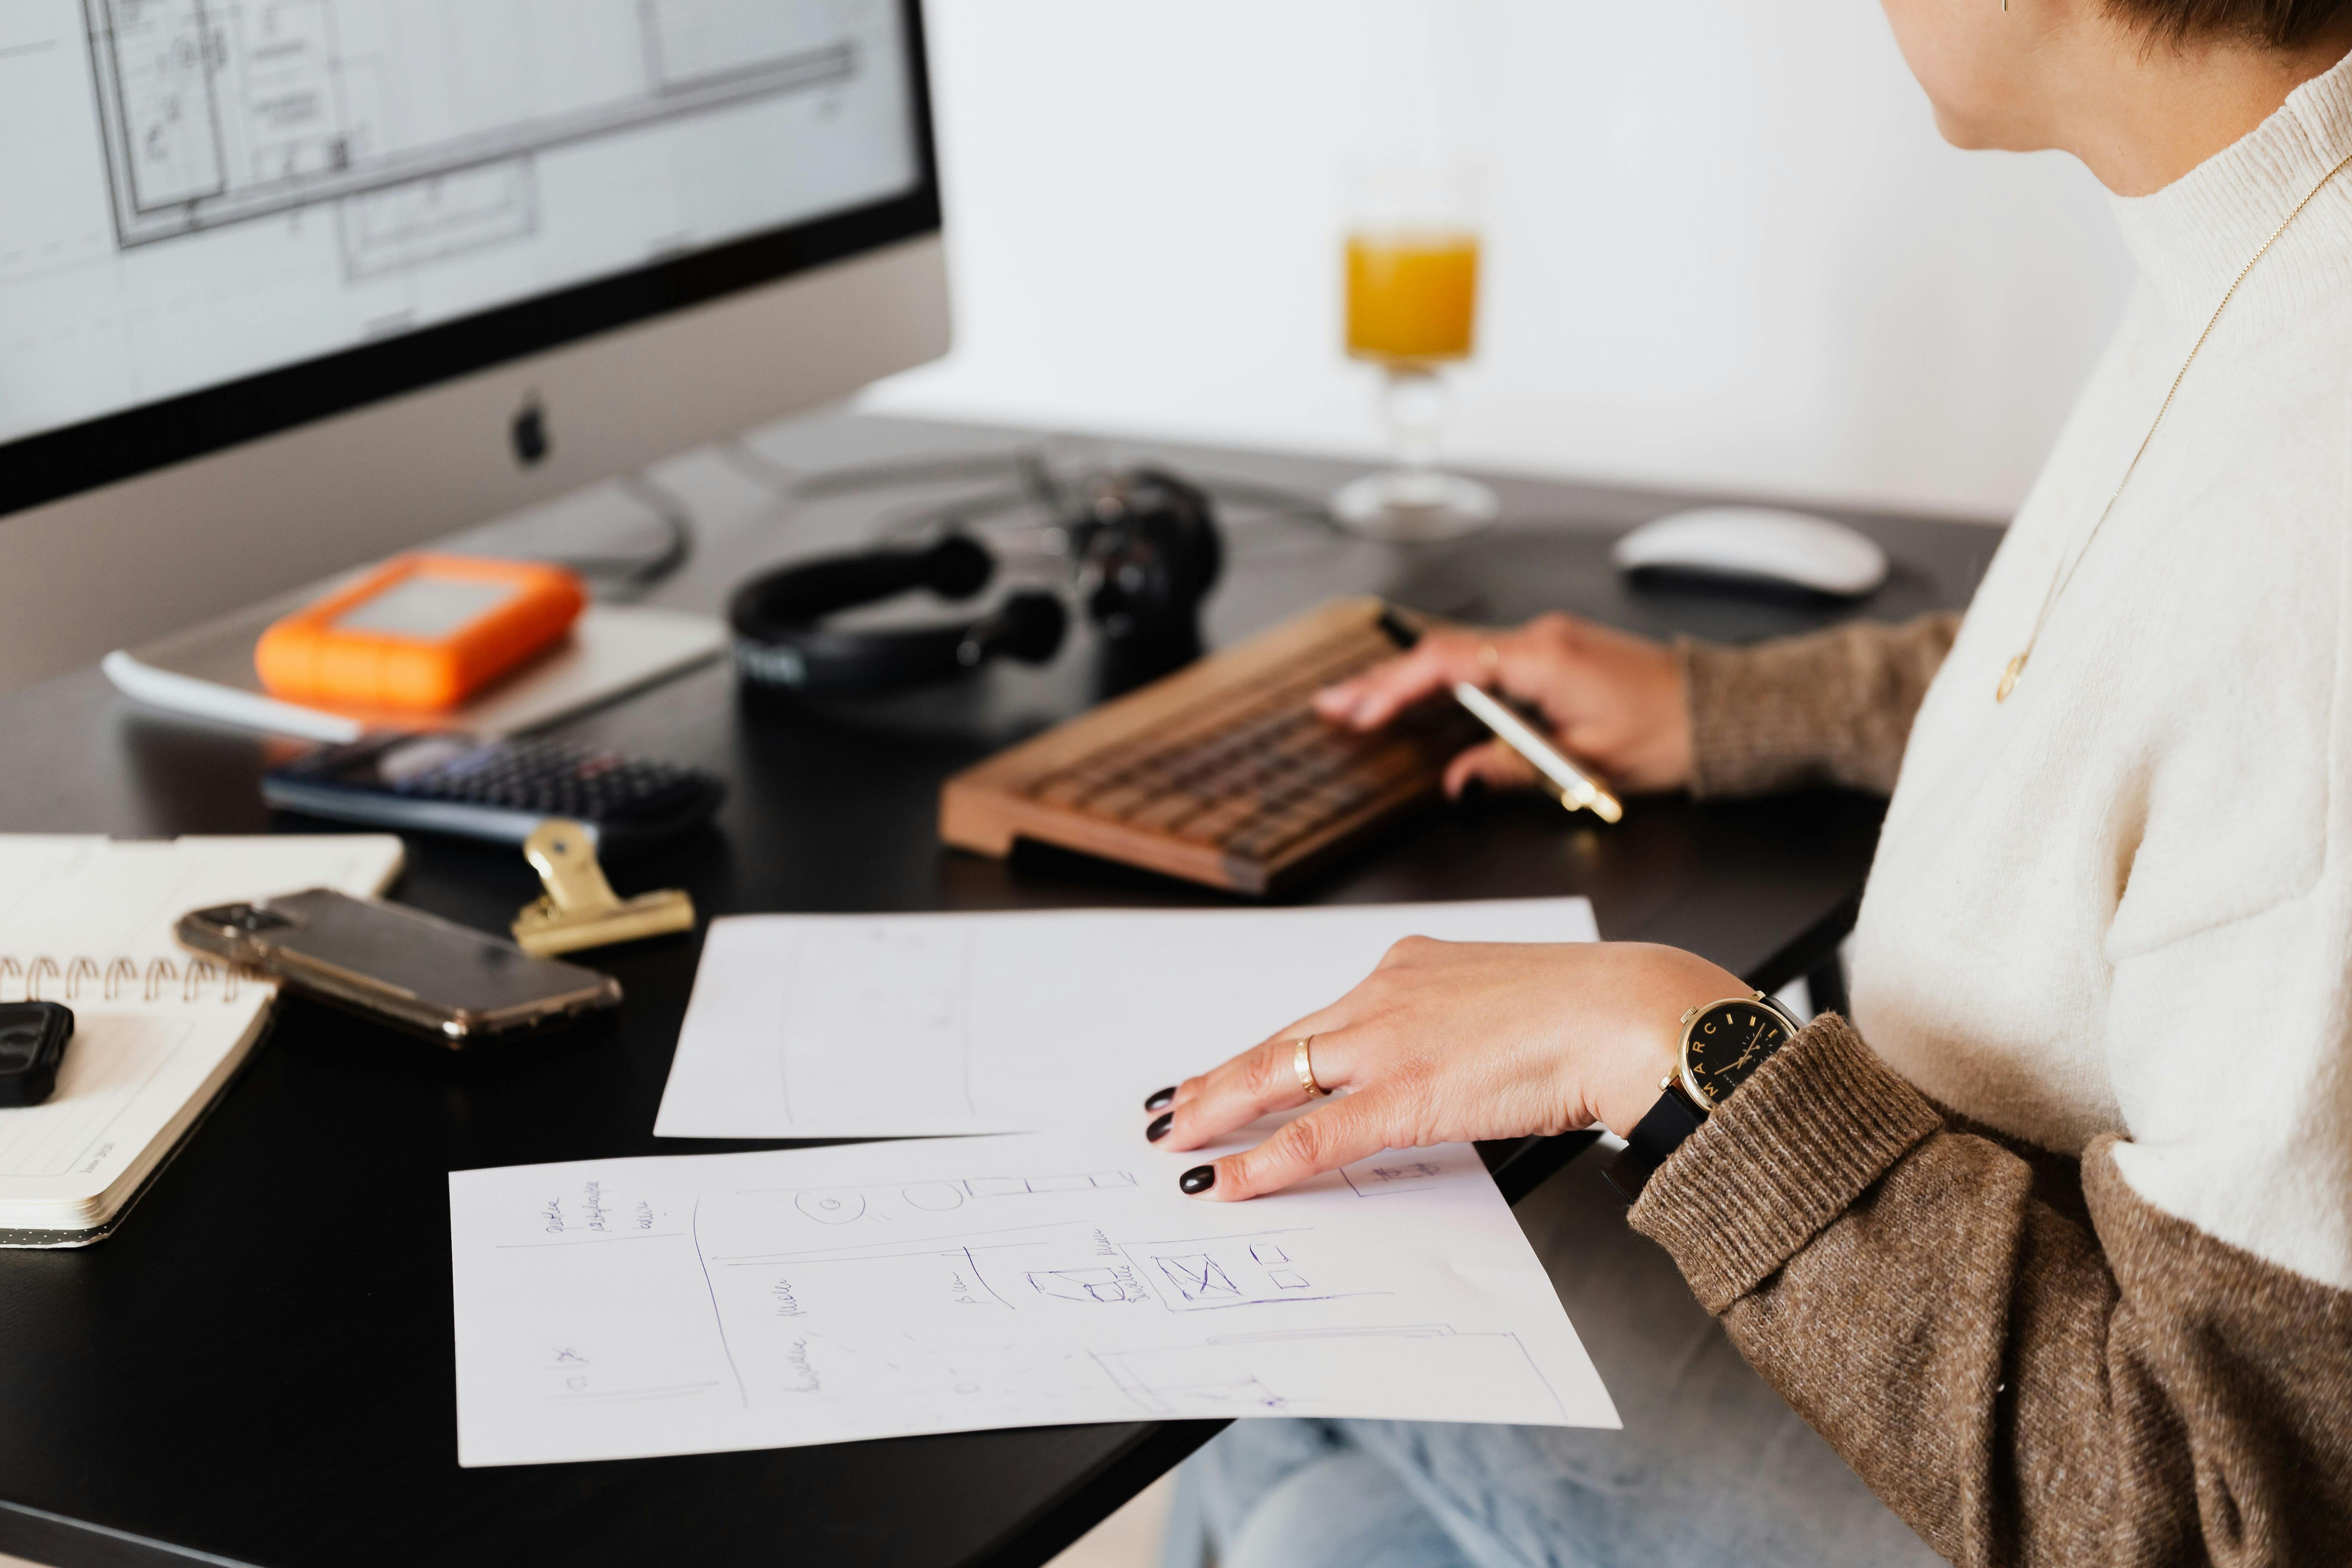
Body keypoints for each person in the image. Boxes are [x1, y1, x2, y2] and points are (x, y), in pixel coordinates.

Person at [1150, 1, 2352, 1563]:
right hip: (1983, 1249)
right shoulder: (2268, 235)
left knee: (1311, 1297)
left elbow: (2228, 1509)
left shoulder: (2314, 496)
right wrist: (1725, 707)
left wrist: (1672, 1048)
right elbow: (2174, 685)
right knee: (1314, 1521)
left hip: (2093, 1441)